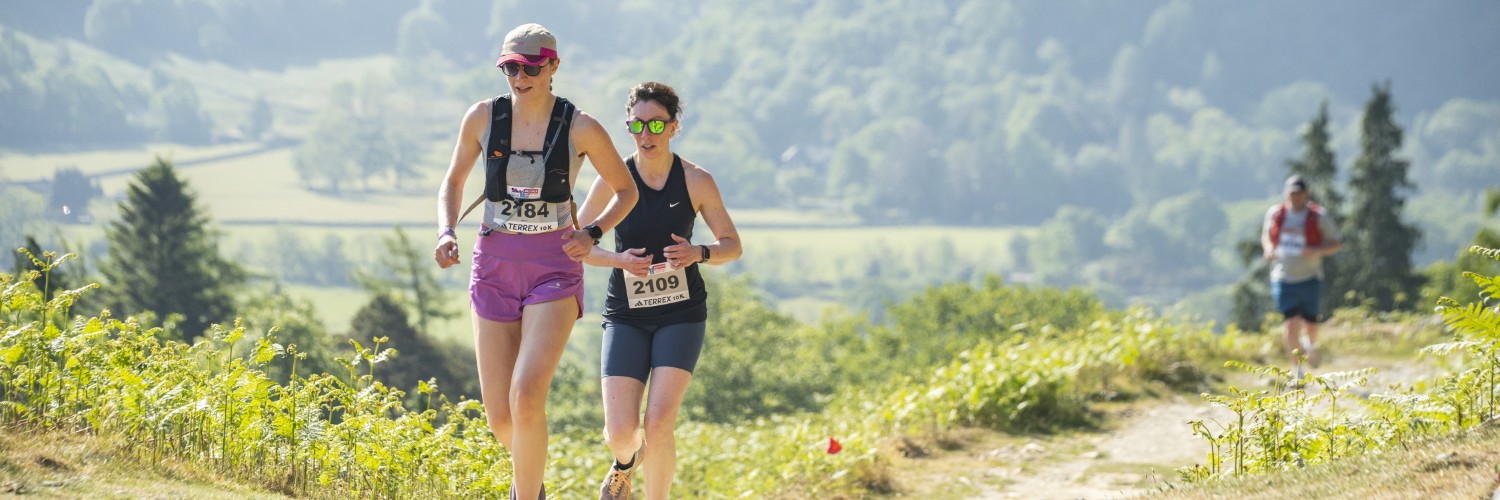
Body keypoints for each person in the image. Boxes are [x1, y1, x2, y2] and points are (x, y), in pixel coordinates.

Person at [433, 23, 638, 499]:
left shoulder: (580, 126)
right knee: (500, 417)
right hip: (494, 264)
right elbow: (454, 180)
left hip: (553, 267)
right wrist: (446, 230)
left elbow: (624, 189)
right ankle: (532, 483)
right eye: (510, 67)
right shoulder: (482, 117)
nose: (519, 76)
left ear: (552, 67)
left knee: (527, 396)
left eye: (529, 67)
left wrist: (591, 232)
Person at [577, 82, 742, 500]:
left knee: (659, 422)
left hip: (681, 315)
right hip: (626, 316)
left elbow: (732, 245)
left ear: (674, 127)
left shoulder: (696, 180)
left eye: (655, 124)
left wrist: (697, 252)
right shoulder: (614, 181)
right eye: (636, 124)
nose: (645, 134)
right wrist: (619, 261)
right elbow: (577, 246)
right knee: (620, 432)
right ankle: (626, 464)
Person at [1261, 175, 1341, 382]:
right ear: (1286, 194)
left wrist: (1315, 250)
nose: (1295, 198)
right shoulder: (1276, 214)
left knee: (1311, 325)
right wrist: (1269, 249)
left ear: (1306, 194)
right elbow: (1267, 236)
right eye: (1292, 194)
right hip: (1283, 277)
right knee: (1290, 323)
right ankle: (1297, 371)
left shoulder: (1319, 216)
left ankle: (1310, 344)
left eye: (1299, 194)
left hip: (1310, 278)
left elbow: (1335, 243)